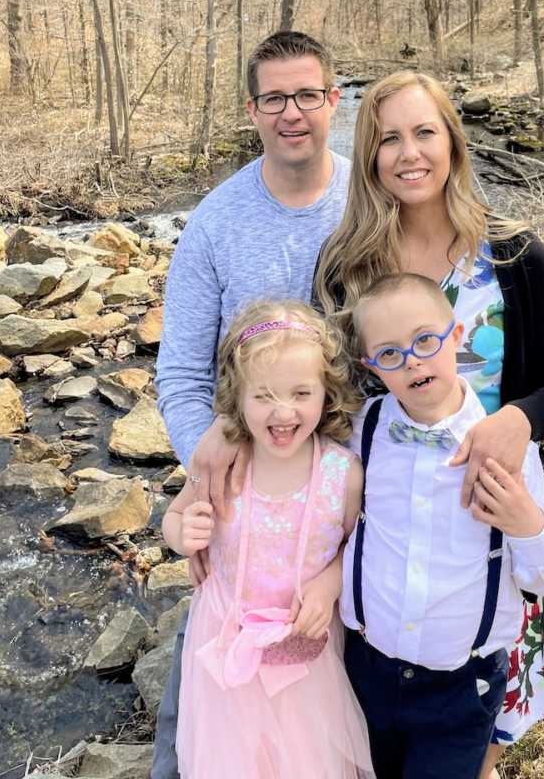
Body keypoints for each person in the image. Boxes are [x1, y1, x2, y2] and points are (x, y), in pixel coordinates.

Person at [313, 70, 544, 772]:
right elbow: (331, 398)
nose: (409, 153)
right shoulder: (348, 265)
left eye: (424, 131)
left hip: (491, 507)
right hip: (395, 531)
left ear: (453, 141)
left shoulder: (514, 253)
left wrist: (517, 421)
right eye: (388, 139)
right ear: (369, 158)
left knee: (480, 736)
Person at [153, 30, 350, 779]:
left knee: (330, 719)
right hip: (247, 508)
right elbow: (178, 371)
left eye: (308, 95)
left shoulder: (372, 205)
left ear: (334, 101)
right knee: (202, 722)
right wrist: (209, 468)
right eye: (275, 98)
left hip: (346, 502)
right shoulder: (215, 221)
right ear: (253, 109)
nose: (291, 112)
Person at [340, 273, 544, 779]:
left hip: (462, 686)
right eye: (390, 353)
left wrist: (523, 523)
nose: (413, 361)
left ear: (458, 335)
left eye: (426, 340)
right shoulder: (363, 430)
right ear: (371, 366)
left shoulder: (508, 448)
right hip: (365, 669)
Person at [163, 300, 373, 779]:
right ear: (237, 398)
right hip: (224, 651)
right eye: (263, 397)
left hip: (305, 659)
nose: (283, 412)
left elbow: (356, 547)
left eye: (301, 392)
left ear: (327, 392)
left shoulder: (342, 474)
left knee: (306, 762)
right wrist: (183, 534)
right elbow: (174, 520)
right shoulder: (222, 467)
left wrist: (332, 582)